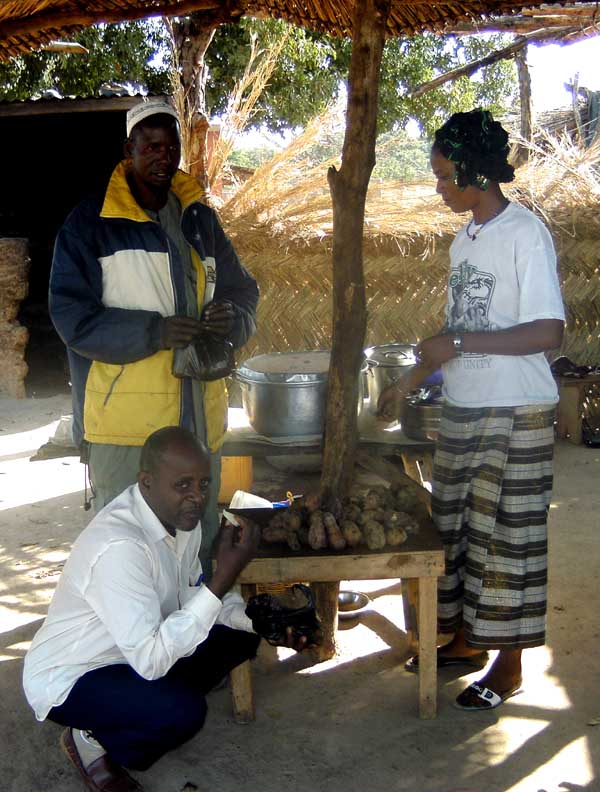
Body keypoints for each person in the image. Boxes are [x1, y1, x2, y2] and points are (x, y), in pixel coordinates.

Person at [378, 109, 565, 711]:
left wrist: (455, 345)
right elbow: (465, 327)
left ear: (476, 175)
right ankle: (465, 640)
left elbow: (548, 332)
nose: (437, 187)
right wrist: (411, 379)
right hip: (464, 409)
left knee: (506, 541)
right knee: (457, 533)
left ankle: (508, 667)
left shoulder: (525, 234)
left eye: (442, 176)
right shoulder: (467, 240)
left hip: (516, 413)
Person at [23, 426, 305, 791]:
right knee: (182, 713)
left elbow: (191, 597)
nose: (196, 498)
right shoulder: (120, 547)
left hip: (135, 650)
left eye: (204, 484)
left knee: (240, 637)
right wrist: (225, 576)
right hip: (76, 674)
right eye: (183, 485)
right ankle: (91, 741)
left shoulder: (181, 522)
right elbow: (151, 660)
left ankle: (139, 706)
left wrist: (258, 620)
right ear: (146, 482)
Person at [49, 97, 259, 571]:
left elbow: (244, 290)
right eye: (152, 146)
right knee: (125, 551)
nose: (164, 157)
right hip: (128, 429)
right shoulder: (91, 224)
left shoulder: (200, 219)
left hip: (198, 423)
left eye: (172, 146)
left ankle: (192, 640)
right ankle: (131, 645)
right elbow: (71, 317)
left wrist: (232, 318)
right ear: (130, 150)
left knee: (196, 544)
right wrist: (154, 331)